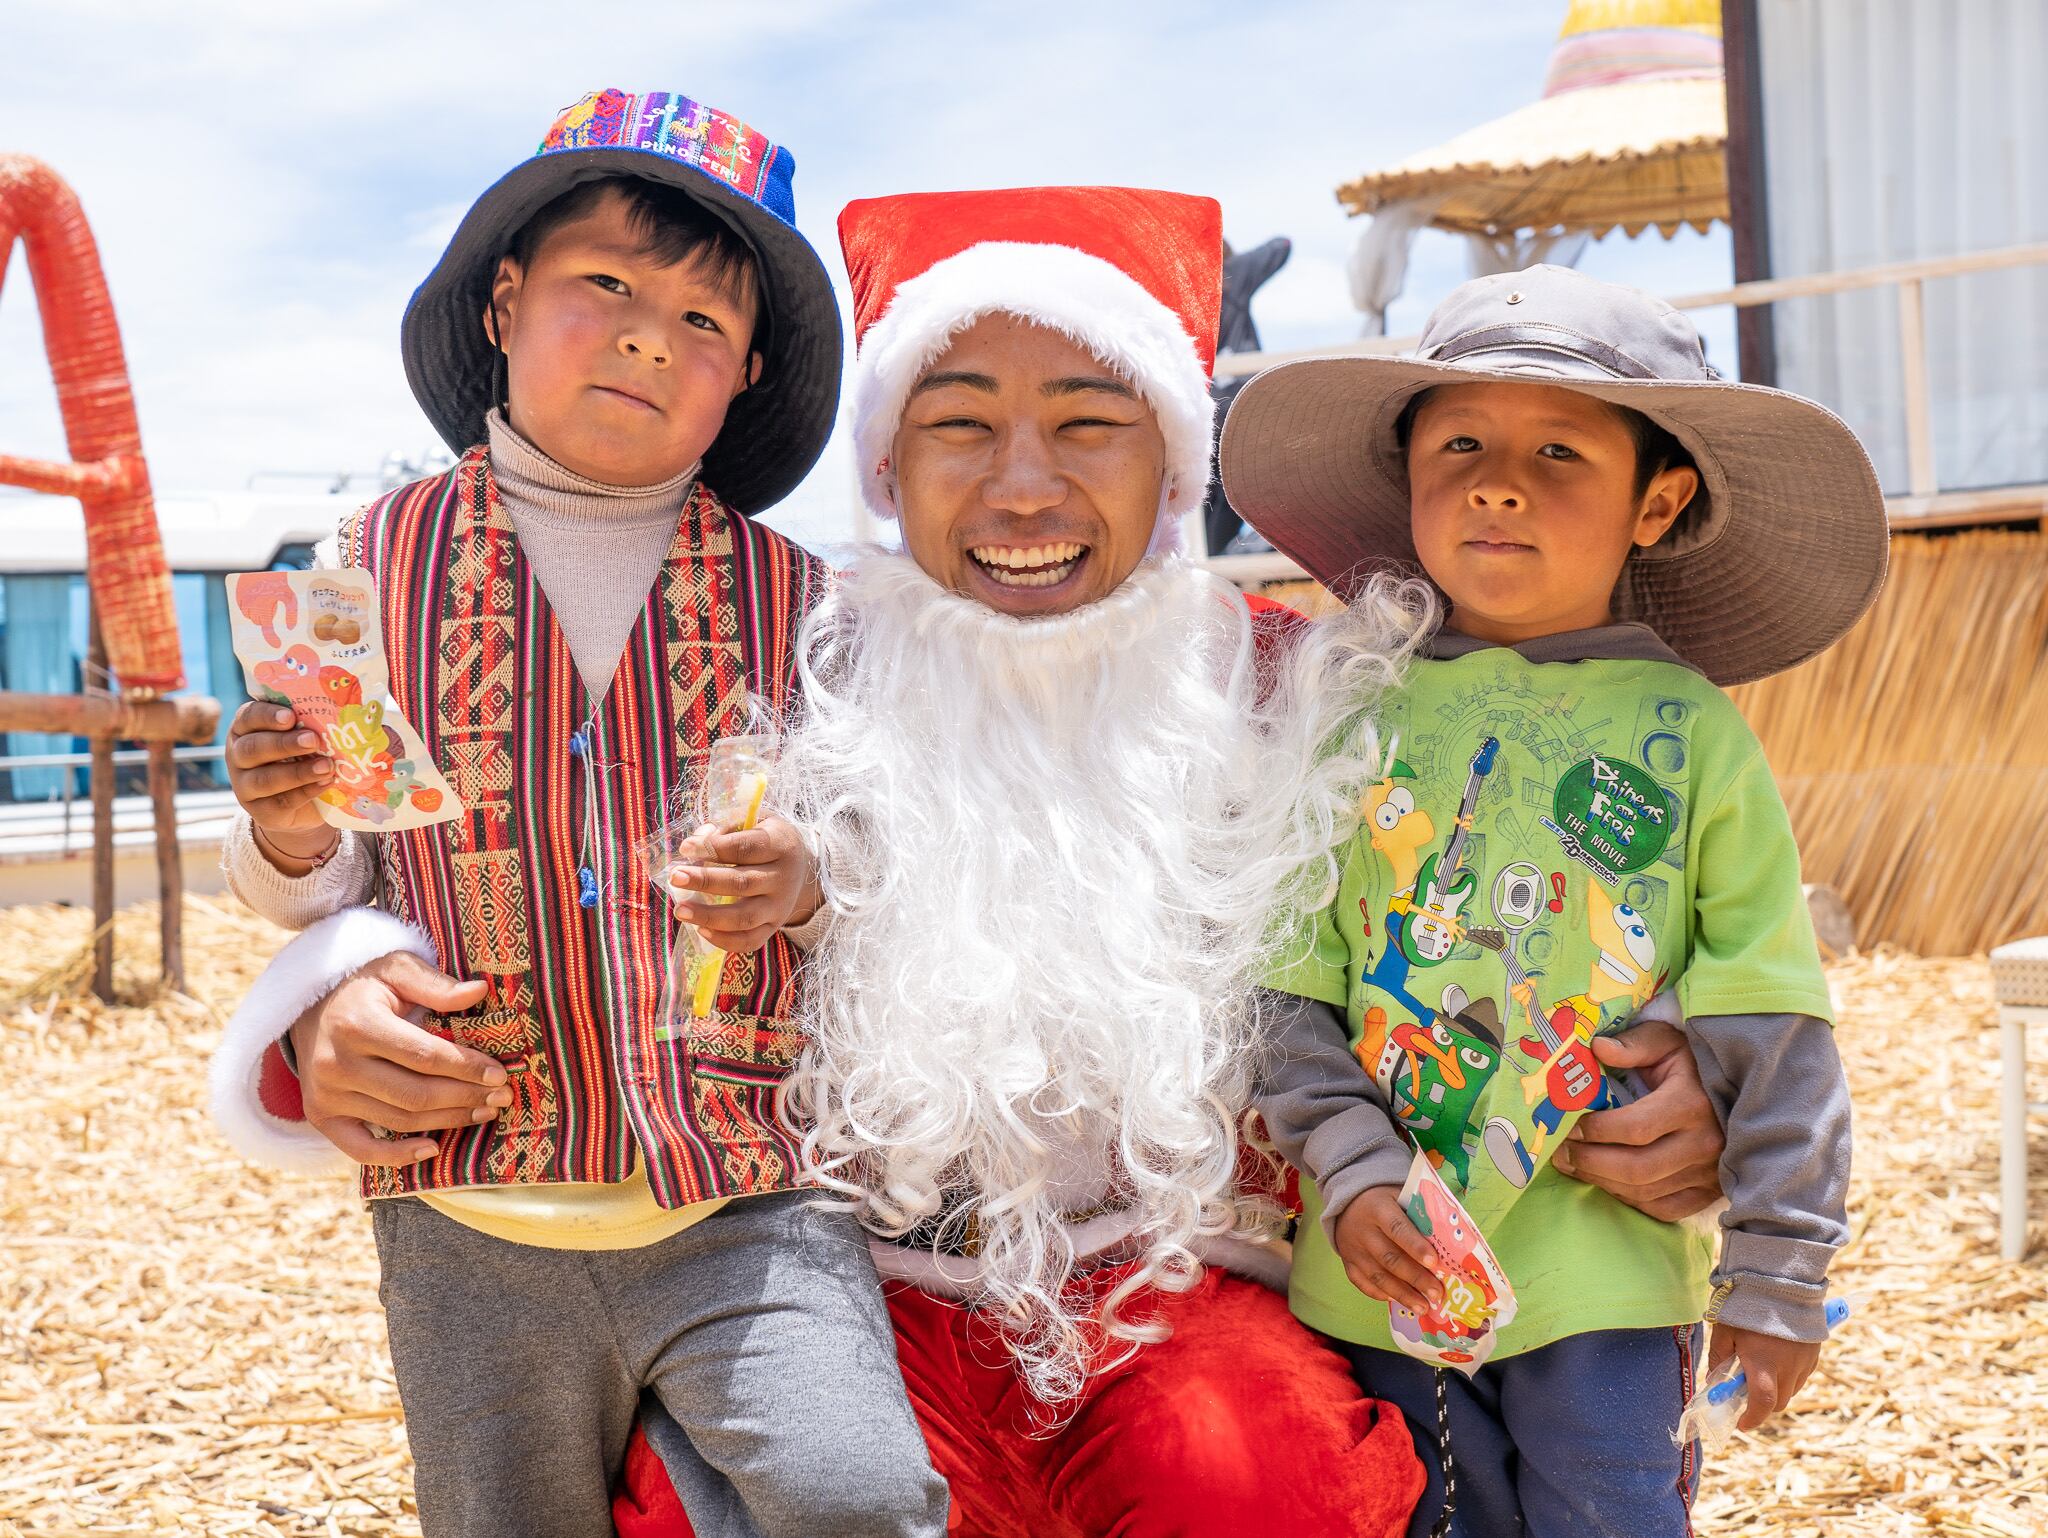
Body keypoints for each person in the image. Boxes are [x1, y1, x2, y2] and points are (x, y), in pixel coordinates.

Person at [613, 195, 1733, 1538]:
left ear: (1174, 461)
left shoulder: (1291, 686)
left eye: (1089, 421)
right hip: (851, 1297)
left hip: (1185, 1287)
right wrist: (335, 979)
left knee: (1258, 1476)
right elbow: (528, 865)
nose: (1025, 485)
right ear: (887, 465)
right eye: (961, 423)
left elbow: (1546, 885)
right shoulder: (784, 671)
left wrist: (1691, 1063)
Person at [207, 88, 945, 1538]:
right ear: (501, 299)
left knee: (859, 1494)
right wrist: (290, 830)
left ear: (743, 381)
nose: (645, 336)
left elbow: (886, 833)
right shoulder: (367, 564)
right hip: (467, 1201)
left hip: (747, 1190)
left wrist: (809, 870)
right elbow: (330, 878)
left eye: (703, 324)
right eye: (605, 282)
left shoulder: (805, 601)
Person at [1221, 264, 1883, 1537]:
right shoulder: (1345, 711)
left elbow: (1772, 1019)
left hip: (1609, 1286)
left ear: (1660, 499)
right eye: (1459, 440)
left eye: (1558, 451)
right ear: (1405, 475)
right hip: (1387, 1273)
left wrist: (1778, 1269)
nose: (1498, 480)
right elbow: (1285, 991)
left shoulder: (1690, 738)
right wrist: (1355, 1176)